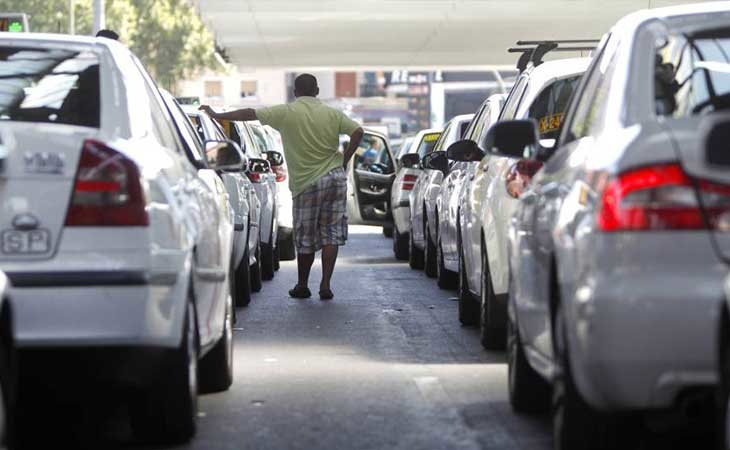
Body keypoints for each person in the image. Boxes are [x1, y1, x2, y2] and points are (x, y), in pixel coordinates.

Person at [200, 74, 364, 301]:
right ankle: (325, 285)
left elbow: (249, 114)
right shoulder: (332, 113)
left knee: (305, 236)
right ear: (317, 90)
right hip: (335, 178)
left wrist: (216, 115)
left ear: (295, 92)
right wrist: (344, 160)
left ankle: (302, 285)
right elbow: (358, 132)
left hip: (307, 183)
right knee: (331, 234)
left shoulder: (286, 112)